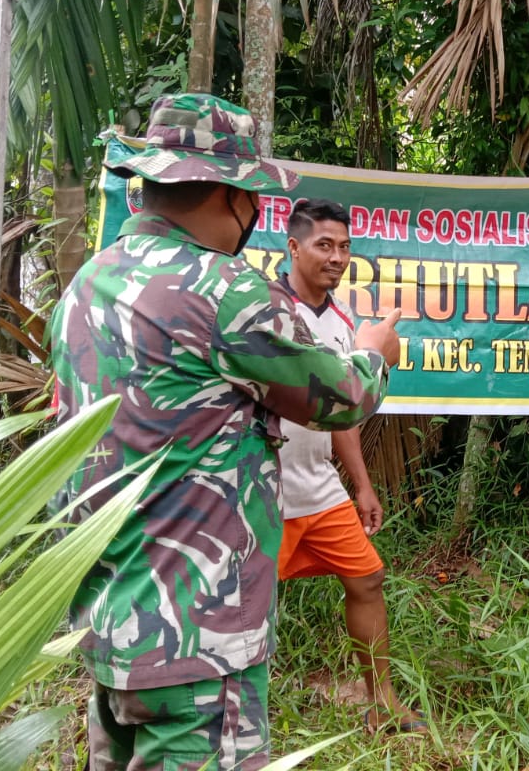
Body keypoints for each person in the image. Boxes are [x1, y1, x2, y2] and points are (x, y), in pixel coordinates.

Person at [50, 93, 401, 770]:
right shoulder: (222, 289)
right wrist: (374, 353)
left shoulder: (90, 283)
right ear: (230, 194)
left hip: (110, 620)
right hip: (195, 638)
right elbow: (342, 398)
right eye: (253, 197)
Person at [272, 198, 426, 734]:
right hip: (261, 487)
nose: (337, 257)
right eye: (324, 245)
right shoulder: (266, 311)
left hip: (317, 485)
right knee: (245, 603)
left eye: (344, 247)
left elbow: (344, 413)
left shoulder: (343, 323)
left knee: (367, 577)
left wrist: (362, 485)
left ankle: (381, 702)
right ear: (294, 248)